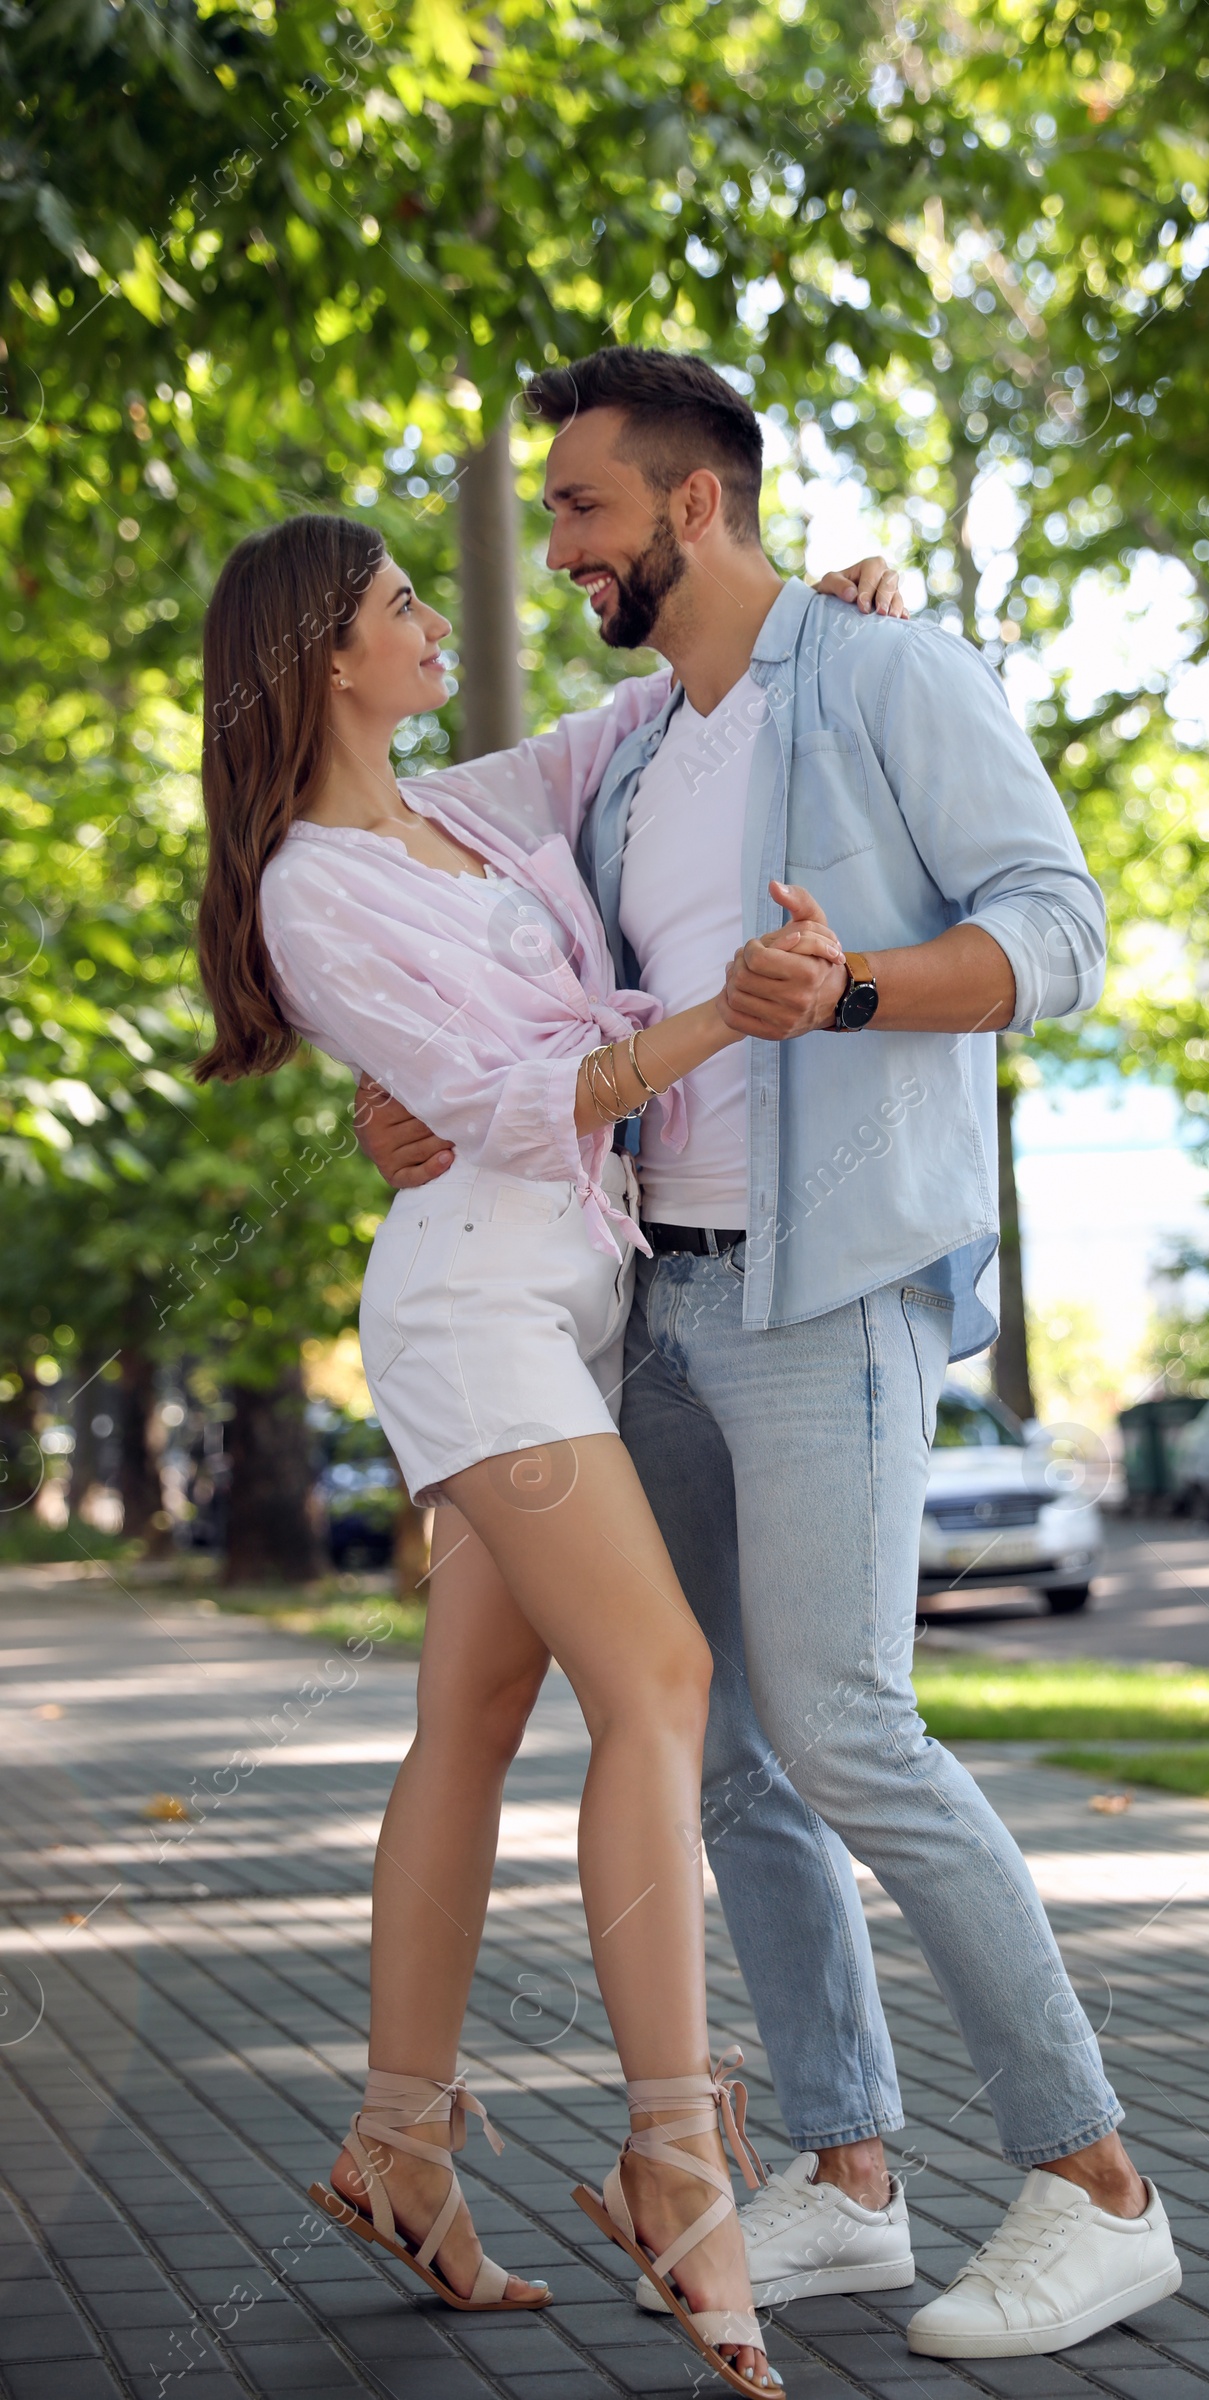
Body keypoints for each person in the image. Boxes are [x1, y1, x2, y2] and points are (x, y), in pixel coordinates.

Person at [356, 347, 1183, 2361]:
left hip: (833, 1299)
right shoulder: (632, 746)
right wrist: (437, 1100)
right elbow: (474, 925)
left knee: (844, 1731)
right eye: (551, 514)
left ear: (692, 509)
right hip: (666, 1301)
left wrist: (859, 985)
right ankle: (847, 2174)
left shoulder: (888, 674)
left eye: (581, 512)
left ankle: (1097, 2188)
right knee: (729, 1763)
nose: (557, 551)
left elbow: (1058, 932)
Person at [191, 509, 901, 2390]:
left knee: (474, 1727)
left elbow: (655, 708)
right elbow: (504, 1103)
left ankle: (396, 2144)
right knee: (660, 1682)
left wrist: (817, 615)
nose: (437, 618)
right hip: (477, 1312)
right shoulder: (308, 887)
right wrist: (710, 1029)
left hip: (574, 1303)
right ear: (327, 657)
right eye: (402, 602)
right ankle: (678, 2161)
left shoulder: (476, 806)